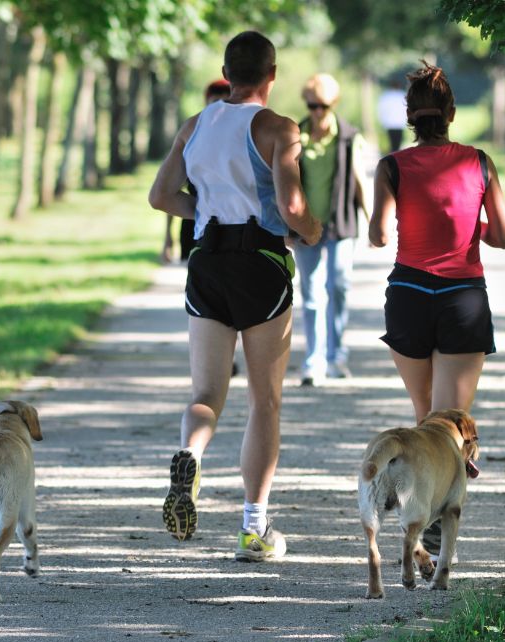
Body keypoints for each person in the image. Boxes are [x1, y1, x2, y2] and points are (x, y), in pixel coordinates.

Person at [148, 30, 322, 561]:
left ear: (227, 73)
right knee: (264, 400)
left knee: (205, 394)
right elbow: (291, 209)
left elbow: (160, 196)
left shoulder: (196, 125)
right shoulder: (279, 128)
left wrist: (204, 217)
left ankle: (190, 454)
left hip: (207, 263)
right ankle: (254, 527)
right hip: (261, 264)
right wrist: (312, 232)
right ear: (272, 76)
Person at [368, 61, 505, 559]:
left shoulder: (391, 166)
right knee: (450, 422)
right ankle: (435, 518)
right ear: (451, 113)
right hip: (462, 297)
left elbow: (378, 234)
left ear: (410, 116)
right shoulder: (479, 162)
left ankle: (419, 504)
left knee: (426, 417)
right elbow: (504, 235)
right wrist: (472, 227)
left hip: (408, 293)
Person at [291, 73, 368, 385]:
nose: (317, 112)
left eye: (322, 105)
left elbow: (361, 181)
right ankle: (314, 359)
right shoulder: (295, 136)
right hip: (305, 227)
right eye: (311, 105)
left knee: (338, 286)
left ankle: (337, 355)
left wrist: (373, 220)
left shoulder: (349, 136)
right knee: (310, 293)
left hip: (340, 224)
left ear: (333, 104)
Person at [162, 79, 232, 264]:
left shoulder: (241, 139)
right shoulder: (192, 136)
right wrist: (167, 237)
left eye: (225, 102)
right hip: (194, 225)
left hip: (234, 227)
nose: (219, 108)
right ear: (206, 102)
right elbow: (169, 190)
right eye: (215, 102)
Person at [377, 78, 407, 153]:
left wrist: (382, 121)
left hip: (389, 124)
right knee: (397, 145)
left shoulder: (385, 96)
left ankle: (392, 157)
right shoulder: (403, 95)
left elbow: (381, 110)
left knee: (392, 144)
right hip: (400, 124)